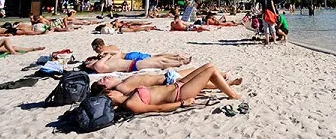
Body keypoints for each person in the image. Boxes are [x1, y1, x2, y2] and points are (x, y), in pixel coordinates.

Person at [103, 63, 241, 113]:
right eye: (110, 92)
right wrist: (182, 103)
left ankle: (228, 85)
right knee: (211, 71)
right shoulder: (131, 103)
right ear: (109, 95)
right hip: (180, 94)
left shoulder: (127, 94)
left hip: (176, 86)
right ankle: (232, 95)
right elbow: (157, 108)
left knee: (208, 66)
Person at [91, 68, 243, 96]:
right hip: (168, 81)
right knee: (201, 80)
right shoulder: (122, 87)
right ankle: (228, 84)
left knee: (195, 69)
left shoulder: (121, 81)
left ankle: (223, 76)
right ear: (105, 87)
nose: (106, 77)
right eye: (104, 80)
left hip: (167, 75)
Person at [81, 51, 192, 73]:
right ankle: (180, 63)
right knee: (160, 63)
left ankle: (182, 60)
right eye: (89, 62)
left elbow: (118, 53)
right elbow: (99, 64)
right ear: (88, 65)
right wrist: (106, 56)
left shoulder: (104, 62)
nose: (92, 61)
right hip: (132, 66)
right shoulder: (98, 66)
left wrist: (107, 52)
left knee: (159, 59)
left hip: (134, 62)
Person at [91, 38, 187, 61]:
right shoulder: (112, 46)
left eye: (94, 48)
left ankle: (176, 57)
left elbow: (117, 54)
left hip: (129, 58)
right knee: (155, 56)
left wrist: (103, 54)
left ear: (99, 46)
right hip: (131, 54)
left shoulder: (105, 52)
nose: (95, 50)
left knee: (156, 58)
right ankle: (175, 56)